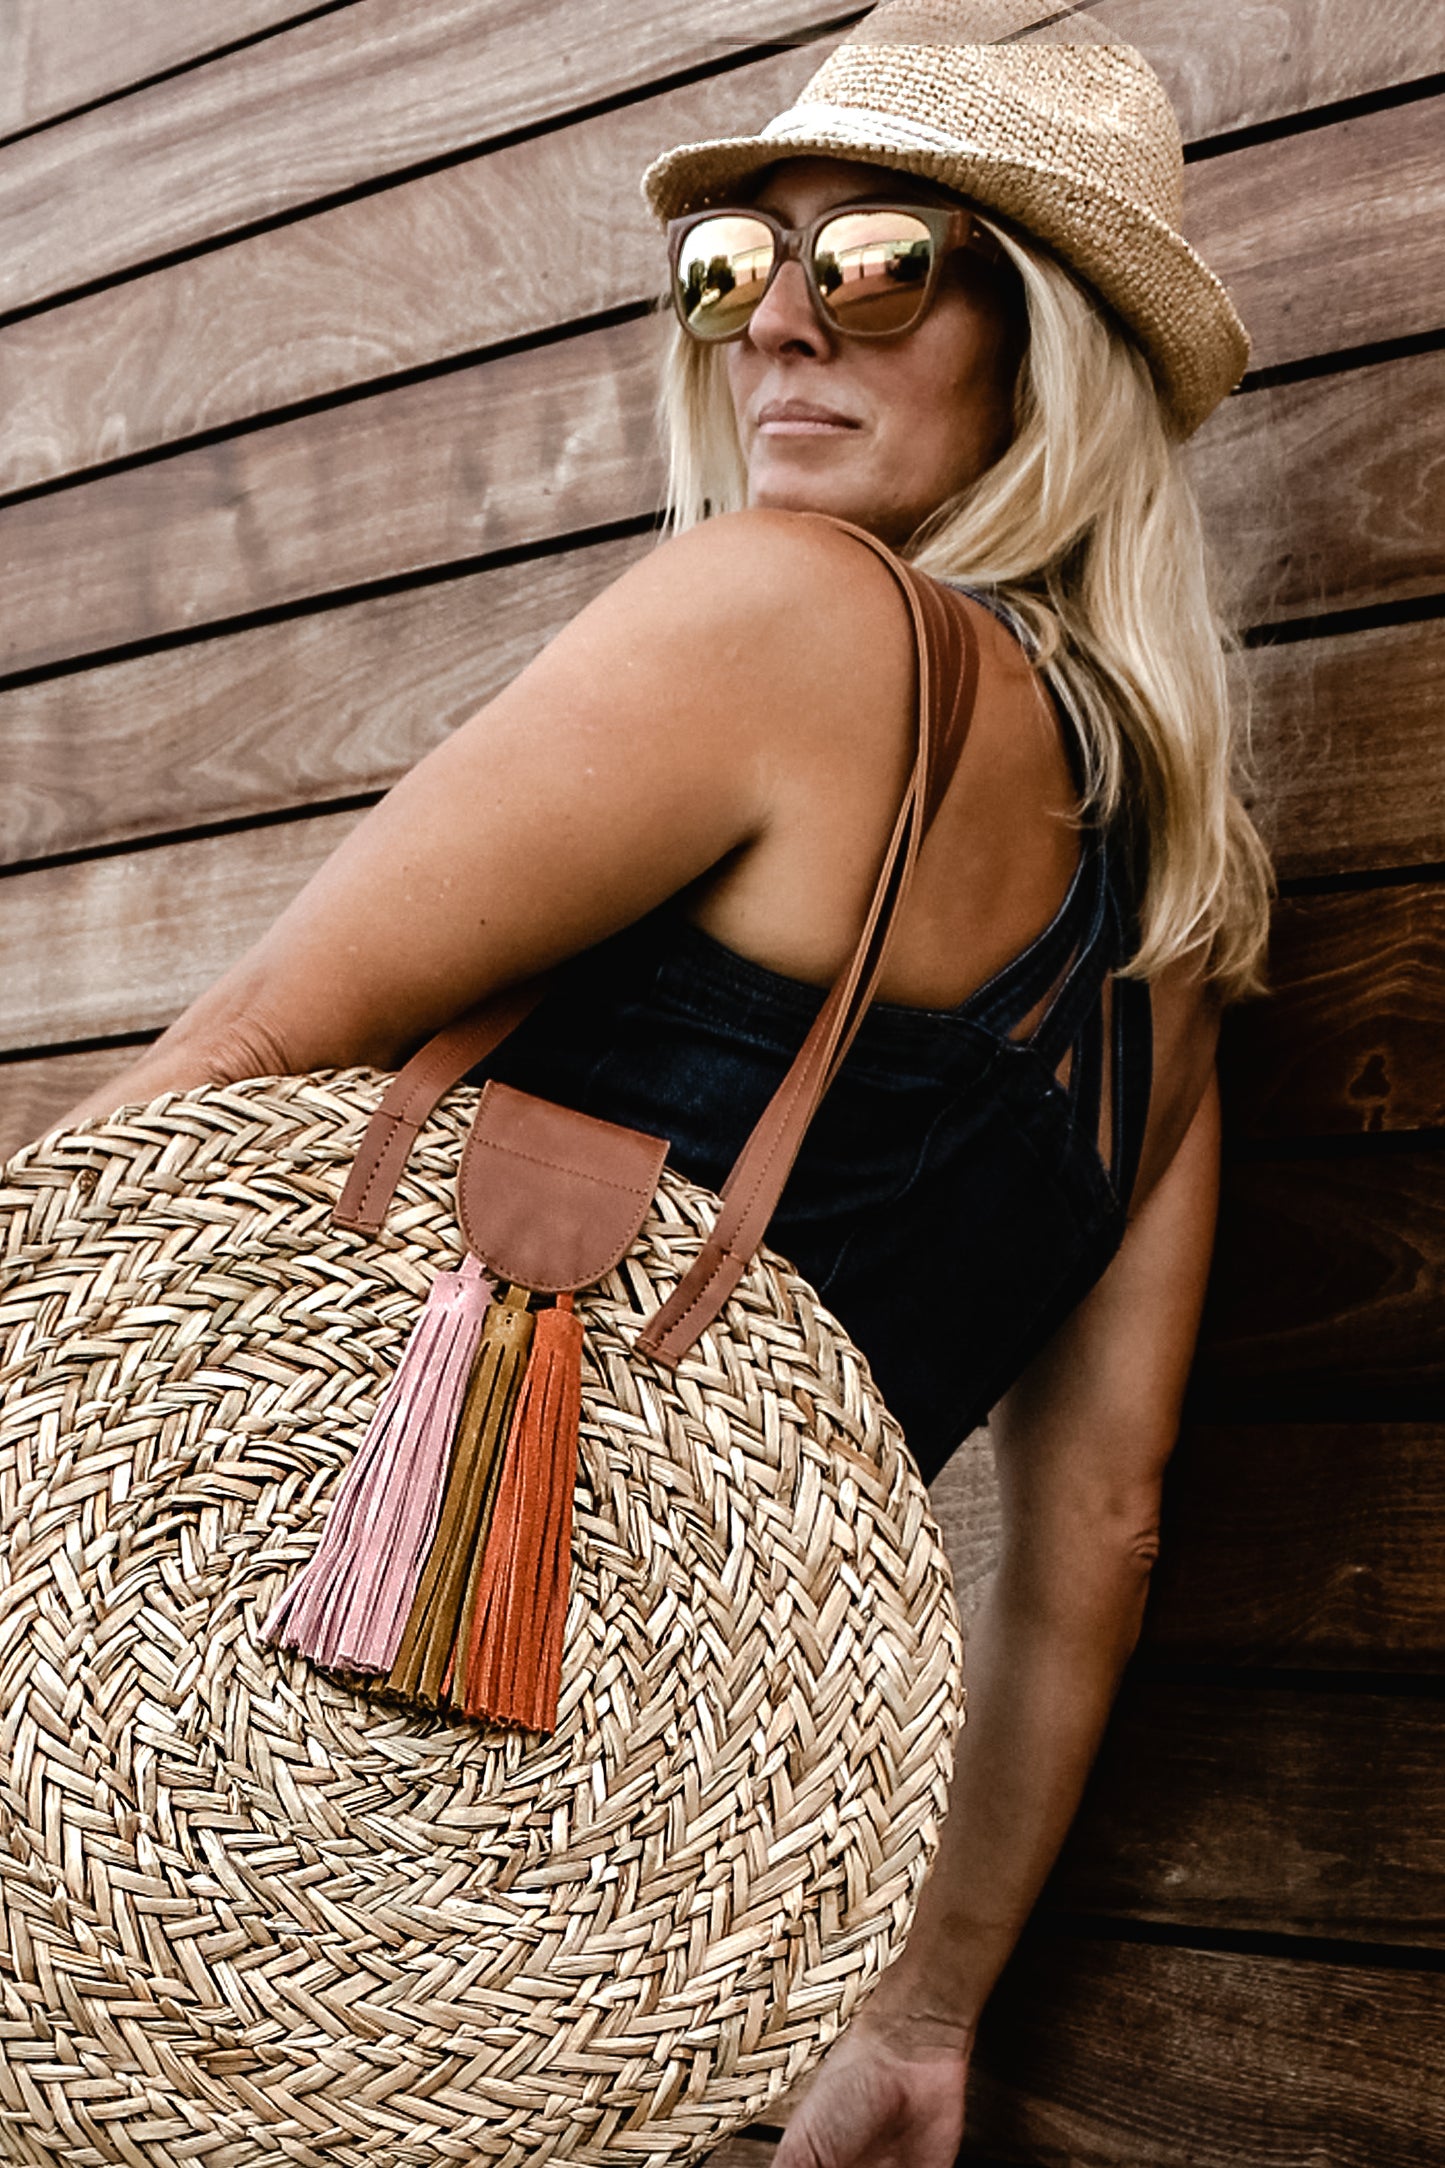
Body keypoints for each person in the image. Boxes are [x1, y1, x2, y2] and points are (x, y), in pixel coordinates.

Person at [52, 3, 1272, 2161]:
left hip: (250, 1739)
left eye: (874, 257)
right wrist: (917, 2010)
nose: (776, 321)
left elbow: (230, 1064)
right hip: (607, 1886)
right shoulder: (1176, 947)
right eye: (730, 267)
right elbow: (1096, 1523)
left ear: (1045, 335)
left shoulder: (782, 616)